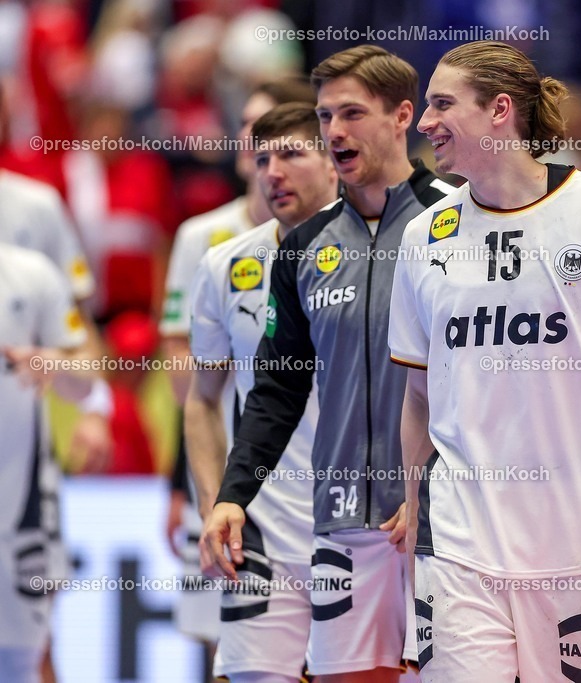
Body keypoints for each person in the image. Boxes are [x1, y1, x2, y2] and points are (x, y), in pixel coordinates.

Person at [391, 40, 581, 682]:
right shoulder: (423, 237)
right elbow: (418, 392)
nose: (423, 122)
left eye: (442, 104)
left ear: (500, 110)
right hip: (460, 543)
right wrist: (409, 497)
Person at [202, 45, 454, 682]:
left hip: (445, 524)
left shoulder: (458, 219)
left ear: (403, 116)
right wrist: (233, 496)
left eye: (352, 113)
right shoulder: (307, 247)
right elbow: (276, 391)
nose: (335, 131)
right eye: (324, 117)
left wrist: (431, 485)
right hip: (343, 523)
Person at [159, 77, 317, 657]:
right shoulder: (212, 248)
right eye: (256, 137)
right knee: (227, 654)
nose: (267, 155)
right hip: (248, 502)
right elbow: (197, 384)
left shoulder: (380, 249)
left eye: (285, 141)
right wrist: (200, 491)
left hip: (350, 514)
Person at [187, 102, 335, 683]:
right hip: (261, 522)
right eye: (261, 157)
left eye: (292, 154)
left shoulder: (387, 252)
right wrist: (212, 502)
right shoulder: (225, 264)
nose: (271, 171)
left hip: (359, 521)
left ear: (334, 162)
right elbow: (201, 399)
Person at [0, 244, 98, 683]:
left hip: (18, 506)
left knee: (22, 661)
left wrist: (52, 362)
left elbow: (84, 379)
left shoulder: (30, 271)